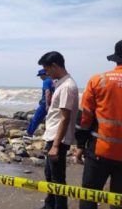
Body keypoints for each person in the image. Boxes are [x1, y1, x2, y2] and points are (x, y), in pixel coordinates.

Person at [75, 40, 122, 209]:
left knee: (89, 195)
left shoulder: (98, 80)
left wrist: (80, 144)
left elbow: (84, 118)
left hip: (99, 151)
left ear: (116, 59)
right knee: (119, 201)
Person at [38, 51, 79, 209]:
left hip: (58, 139)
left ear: (54, 66)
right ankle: (49, 205)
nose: (46, 73)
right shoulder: (60, 83)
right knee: (50, 176)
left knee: (57, 179)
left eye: (47, 69)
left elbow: (65, 117)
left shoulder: (68, 86)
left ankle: (59, 207)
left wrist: (55, 145)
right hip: (53, 136)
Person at [24, 69, 54, 139]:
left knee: (36, 118)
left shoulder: (46, 81)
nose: (40, 77)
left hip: (45, 104)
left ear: (44, 74)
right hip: (53, 103)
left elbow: (47, 92)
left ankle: (29, 133)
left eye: (40, 76)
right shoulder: (53, 81)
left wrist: (47, 104)